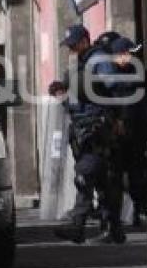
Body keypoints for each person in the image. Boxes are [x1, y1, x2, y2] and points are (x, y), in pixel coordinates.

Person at [50, 25, 125, 244]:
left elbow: (115, 88)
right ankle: (114, 229)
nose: (71, 49)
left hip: (97, 126)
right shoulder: (81, 63)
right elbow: (77, 93)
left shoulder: (98, 59)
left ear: (84, 41)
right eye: (69, 46)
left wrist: (118, 118)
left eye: (73, 44)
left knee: (85, 176)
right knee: (103, 181)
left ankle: (78, 225)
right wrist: (60, 90)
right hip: (83, 127)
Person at [110, 36, 147, 226]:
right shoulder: (110, 74)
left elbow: (137, 103)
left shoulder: (139, 72)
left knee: (136, 173)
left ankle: (138, 210)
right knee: (116, 174)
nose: (129, 56)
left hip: (136, 130)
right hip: (118, 132)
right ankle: (118, 214)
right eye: (126, 53)